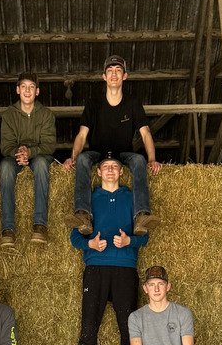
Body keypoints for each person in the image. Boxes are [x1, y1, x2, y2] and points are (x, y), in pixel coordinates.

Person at [63, 54, 161, 237]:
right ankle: (83, 214)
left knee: (139, 160)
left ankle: (141, 215)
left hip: (123, 153)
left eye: (118, 71)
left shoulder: (132, 103)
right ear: (104, 76)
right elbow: (82, 135)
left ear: (125, 76)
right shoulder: (93, 103)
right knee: (83, 159)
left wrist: (152, 159)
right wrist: (73, 157)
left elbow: (145, 133)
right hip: (97, 153)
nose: (114, 74)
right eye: (110, 71)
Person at [70, 154, 148, 345]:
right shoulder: (88, 200)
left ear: (122, 172)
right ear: (98, 172)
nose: (111, 170)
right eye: (106, 167)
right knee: (89, 321)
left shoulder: (132, 198)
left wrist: (129, 241)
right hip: (96, 267)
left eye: (115, 166)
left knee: (128, 323)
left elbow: (145, 237)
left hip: (126, 267)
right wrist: (91, 244)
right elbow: (74, 238)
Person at [0, 72, 56, 246]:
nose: (27, 91)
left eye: (31, 87)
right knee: (5, 167)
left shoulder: (46, 114)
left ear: (37, 92)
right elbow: (5, 146)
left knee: (41, 165)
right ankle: (7, 229)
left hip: (39, 155)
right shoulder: (9, 115)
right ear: (17, 90)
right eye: (23, 87)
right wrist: (19, 153)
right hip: (15, 157)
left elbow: (49, 145)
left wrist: (30, 153)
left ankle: (40, 226)